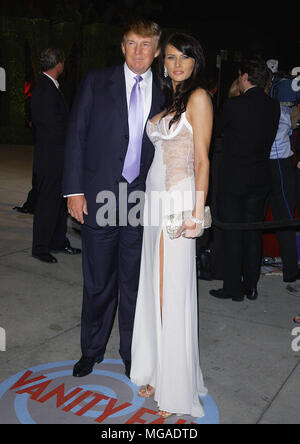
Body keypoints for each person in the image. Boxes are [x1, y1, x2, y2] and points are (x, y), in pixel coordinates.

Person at [63, 20, 164, 379]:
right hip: (101, 196)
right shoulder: (95, 81)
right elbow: (76, 136)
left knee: (135, 282)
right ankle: (91, 350)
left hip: (143, 199)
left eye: (146, 44)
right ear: (123, 47)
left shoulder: (169, 90)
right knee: (98, 281)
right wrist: (74, 191)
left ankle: (132, 353)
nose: (139, 51)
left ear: (156, 49)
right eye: (132, 44)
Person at [130, 32, 212, 418]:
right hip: (155, 201)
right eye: (172, 57)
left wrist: (197, 213)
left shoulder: (198, 98)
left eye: (185, 57)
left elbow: (202, 161)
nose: (177, 64)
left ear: (197, 62)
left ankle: (173, 385)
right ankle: (157, 368)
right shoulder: (172, 100)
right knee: (155, 285)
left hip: (178, 204)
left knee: (169, 289)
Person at [210, 58, 280, 302]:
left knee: (233, 234)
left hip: (234, 179)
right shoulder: (274, 106)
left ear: (244, 77)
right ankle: (251, 285)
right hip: (260, 179)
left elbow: (215, 130)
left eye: (240, 75)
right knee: (253, 234)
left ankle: (232, 288)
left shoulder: (234, 105)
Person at [31, 48, 81, 264]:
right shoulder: (44, 88)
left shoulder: (46, 86)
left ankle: (58, 241)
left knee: (59, 204)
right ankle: (41, 247)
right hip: (51, 159)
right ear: (59, 64)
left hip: (56, 158)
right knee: (47, 204)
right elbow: (52, 128)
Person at [267, 71, 300, 283]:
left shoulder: (280, 110)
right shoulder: (280, 111)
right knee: (284, 218)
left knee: (283, 218)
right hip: (278, 163)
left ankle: (289, 269)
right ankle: (289, 269)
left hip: (275, 163)